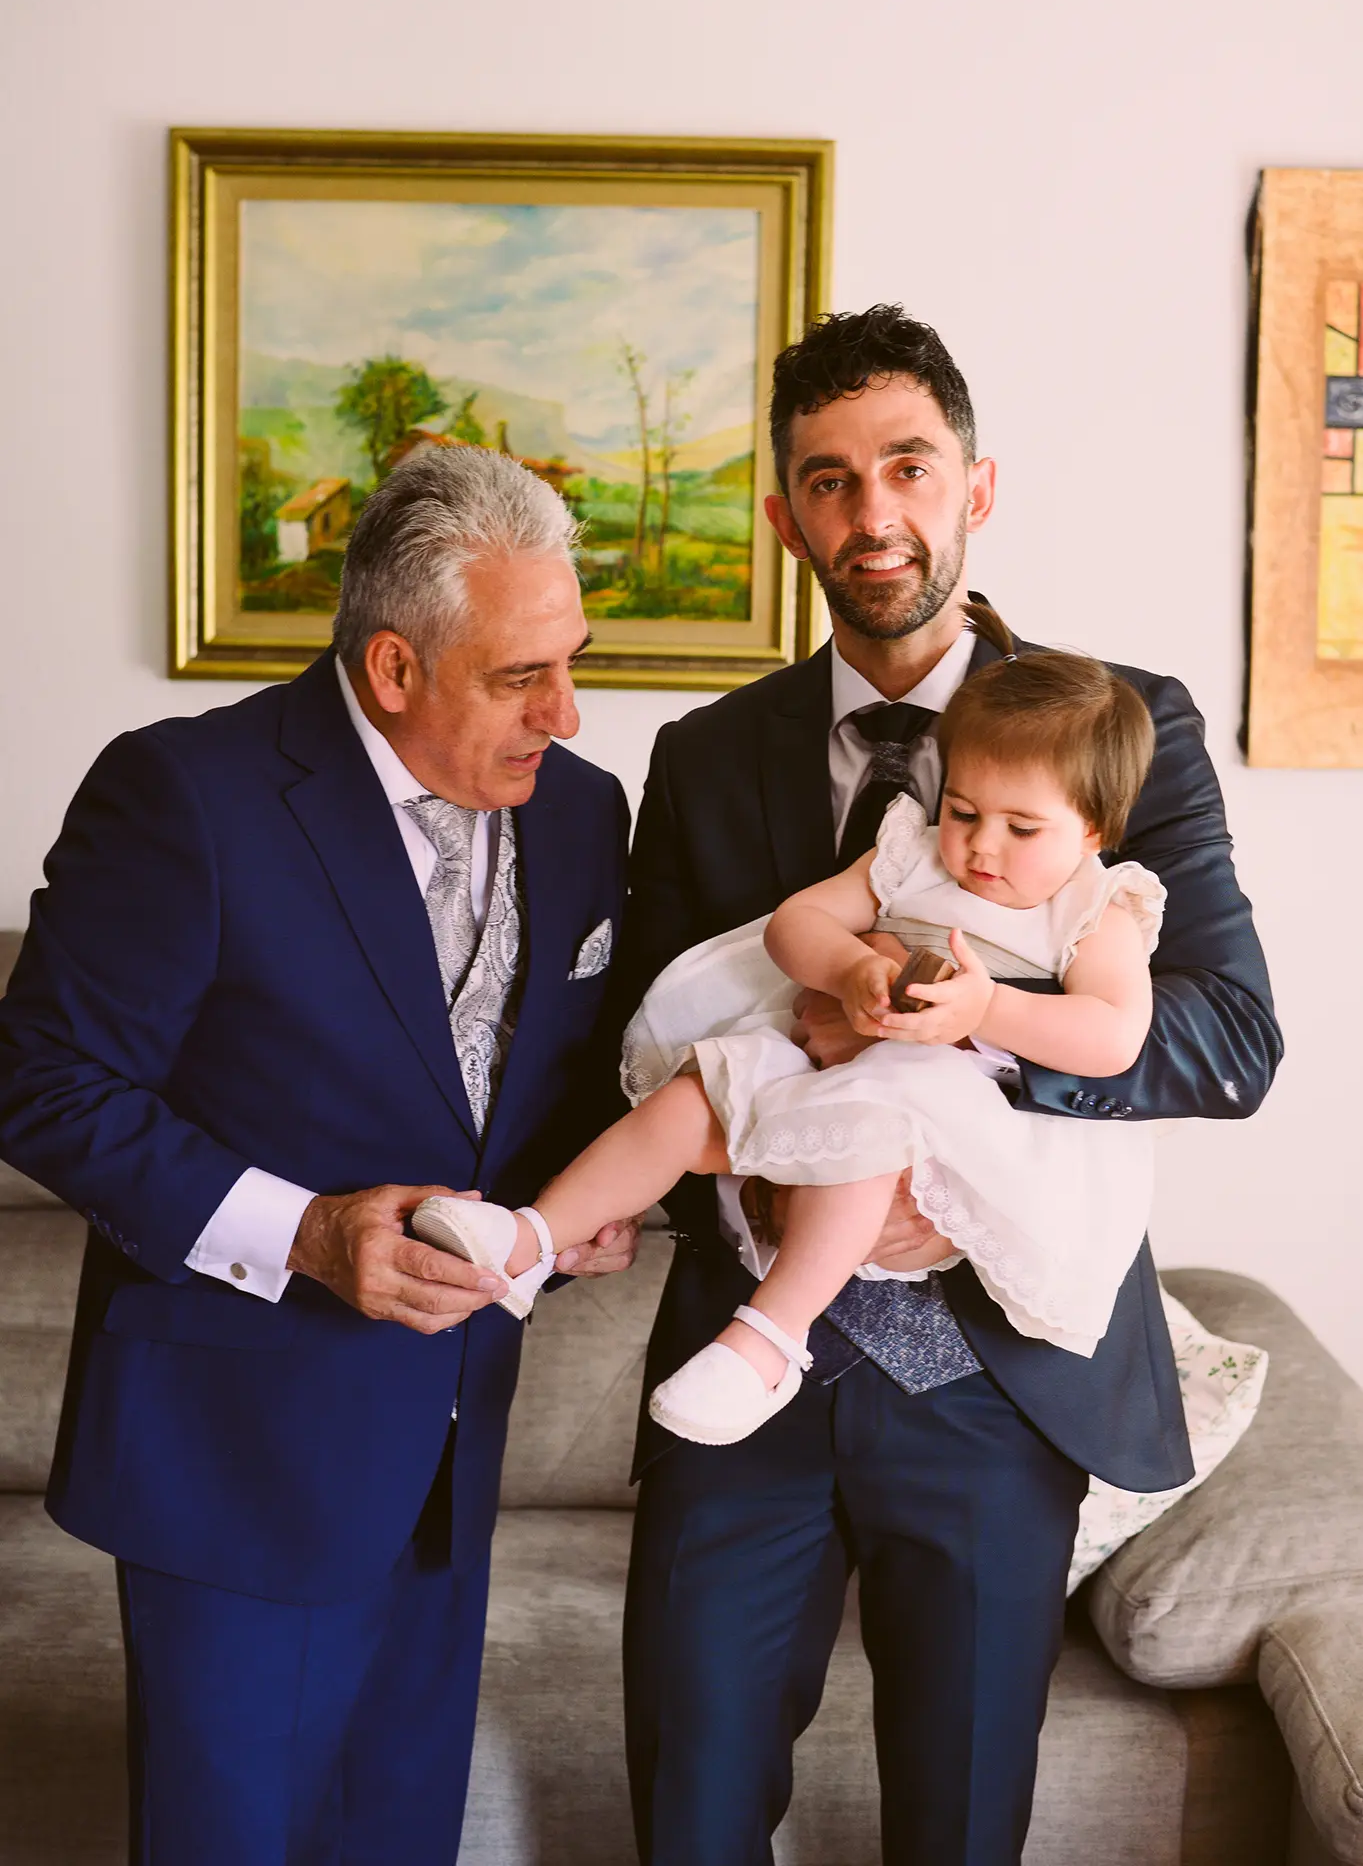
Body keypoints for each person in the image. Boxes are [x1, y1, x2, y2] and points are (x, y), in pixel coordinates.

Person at [618, 305, 1283, 1866]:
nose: (873, 514)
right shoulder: (704, 756)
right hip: (748, 1345)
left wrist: (960, 1111)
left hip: (999, 1372)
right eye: (829, 480)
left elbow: (1225, 1037)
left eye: (907, 467)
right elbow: (637, 1041)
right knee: (688, 1810)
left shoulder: (1125, 724)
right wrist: (767, 1170)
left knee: (959, 1823)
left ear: (973, 487)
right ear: (784, 517)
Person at [0, 447, 635, 1865]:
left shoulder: (583, 810)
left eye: (572, 663)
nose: (566, 711)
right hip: (236, 1461)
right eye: (521, 677)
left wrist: (580, 1205)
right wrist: (300, 1232)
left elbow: (538, 1083)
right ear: (395, 666)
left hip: (452, 1451)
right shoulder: (186, 794)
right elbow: (41, 1080)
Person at [418, 632, 1166, 1449]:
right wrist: (850, 967)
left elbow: (1112, 1038)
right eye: (962, 811)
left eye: (1020, 828)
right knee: (698, 1092)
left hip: (947, 1117)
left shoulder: (1093, 910)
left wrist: (984, 1009)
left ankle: (768, 1340)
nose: (981, 845)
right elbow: (795, 924)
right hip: (830, 1060)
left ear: (1091, 830)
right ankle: (531, 1237)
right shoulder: (912, 856)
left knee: (869, 1124)